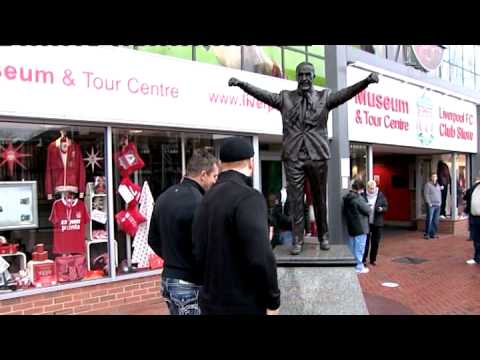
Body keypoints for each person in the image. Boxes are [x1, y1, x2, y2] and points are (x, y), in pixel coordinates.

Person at [229, 63, 379, 255]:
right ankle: (298, 240)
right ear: (297, 77)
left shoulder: (324, 98)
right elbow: (263, 95)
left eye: (308, 74)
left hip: (317, 155)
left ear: (314, 76)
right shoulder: (285, 98)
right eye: (301, 75)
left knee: (319, 198)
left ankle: (323, 236)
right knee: (296, 200)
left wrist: (366, 82)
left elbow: (345, 94)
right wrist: (242, 84)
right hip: (293, 156)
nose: (304, 78)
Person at [192, 137, 281, 315]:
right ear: (250, 162)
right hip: (242, 304)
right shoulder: (249, 197)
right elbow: (261, 256)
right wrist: (273, 300)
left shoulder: (206, 198)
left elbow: (198, 250)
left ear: (221, 164)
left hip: (210, 302)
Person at [147, 148, 219, 315]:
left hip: (169, 279)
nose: (216, 182)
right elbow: (204, 246)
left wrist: (173, 257)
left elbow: (152, 239)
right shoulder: (201, 203)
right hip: (190, 281)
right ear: (203, 175)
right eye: (214, 176)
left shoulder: (164, 197)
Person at [343, 179, 372, 274]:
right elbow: (367, 210)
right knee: (359, 248)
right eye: (362, 189)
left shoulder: (347, 198)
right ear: (359, 188)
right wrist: (369, 206)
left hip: (351, 226)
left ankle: (352, 265)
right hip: (361, 227)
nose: (363, 191)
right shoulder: (358, 198)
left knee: (352, 248)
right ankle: (359, 267)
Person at [362, 180, 388, 266]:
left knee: (375, 242)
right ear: (367, 188)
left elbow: (386, 206)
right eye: (370, 188)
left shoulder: (380, 195)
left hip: (377, 222)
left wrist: (381, 209)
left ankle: (373, 259)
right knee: (365, 242)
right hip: (367, 222)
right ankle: (364, 259)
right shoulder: (363, 195)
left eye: (373, 188)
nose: (371, 190)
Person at [463, 174, 480, 265]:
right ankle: (477, 258)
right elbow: (466, 196)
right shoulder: (474, 187)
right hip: (475, 217)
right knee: (476, 239)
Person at [424, 173, 442, 239]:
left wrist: (440, 202)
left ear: (437, 178)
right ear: (431, 178)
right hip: (431, 205)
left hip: (438, 205)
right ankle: (427, 234)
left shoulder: (438, 185)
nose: (434, 178)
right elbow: (426, 194)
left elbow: (439, 194)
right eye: (433, 176)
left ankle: (433, 234)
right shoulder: (428, 185)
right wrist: (429, 203)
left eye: (435, 176)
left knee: (436, 220)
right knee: (429, 219)